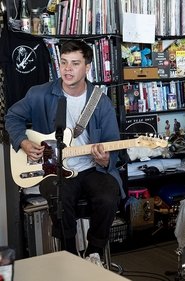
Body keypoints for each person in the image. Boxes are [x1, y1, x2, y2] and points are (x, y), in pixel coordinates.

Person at [5, 40, 124, 266]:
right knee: (60, 196)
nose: (68, 69)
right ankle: (69, 254)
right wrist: (23, 142)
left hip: (92, 168)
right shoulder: (39, 94)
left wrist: (106, 158)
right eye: (64, 62)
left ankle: (94, 252)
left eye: (75, 63)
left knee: (109, 194)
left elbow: (111, 142)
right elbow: (12, 117)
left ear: (87, 67)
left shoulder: (100, 101)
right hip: (53, 168)